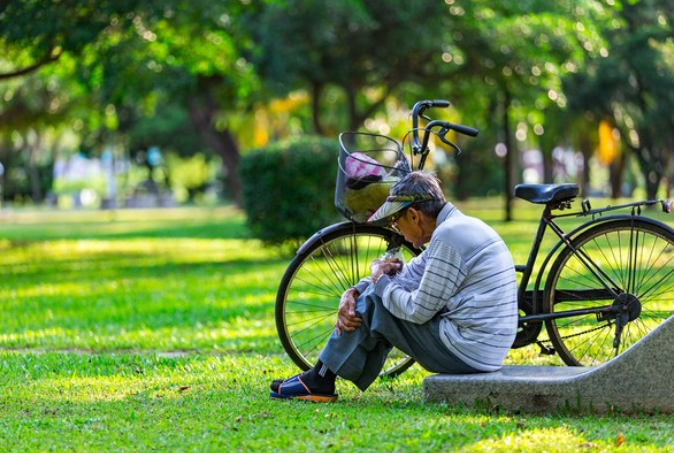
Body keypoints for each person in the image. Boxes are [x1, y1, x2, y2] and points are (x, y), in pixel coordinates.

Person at [270, 171, 518, 402]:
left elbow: (417, 311)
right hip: (483, 350)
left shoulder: (448, 236)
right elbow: (408, 275)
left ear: (413, 215)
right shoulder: (458, 227)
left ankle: (320, 379)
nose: (395, 228)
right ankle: (321, 376)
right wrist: (354, 290)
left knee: (378, 299)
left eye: (396, 221)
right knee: (378, 293)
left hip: (469, 352)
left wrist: (379, 282)